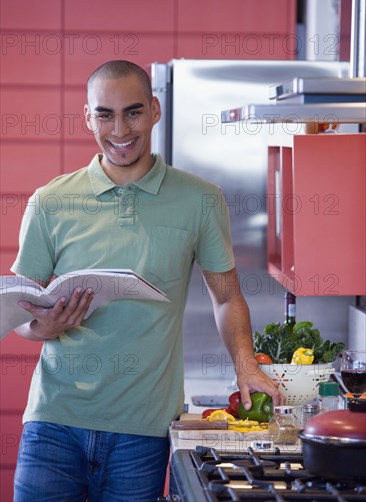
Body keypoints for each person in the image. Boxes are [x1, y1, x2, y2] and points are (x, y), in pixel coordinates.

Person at [11, 60, 285, 501]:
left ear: (155, 110)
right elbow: (18, 313)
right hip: (53, 424)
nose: (120, 128)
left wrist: (245, 365)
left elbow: (226, 297)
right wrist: (43, 327)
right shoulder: (51, 201)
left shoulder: (200, 199)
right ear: (88, 117)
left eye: (133, 112)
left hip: (143, 433)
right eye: (105, 114)